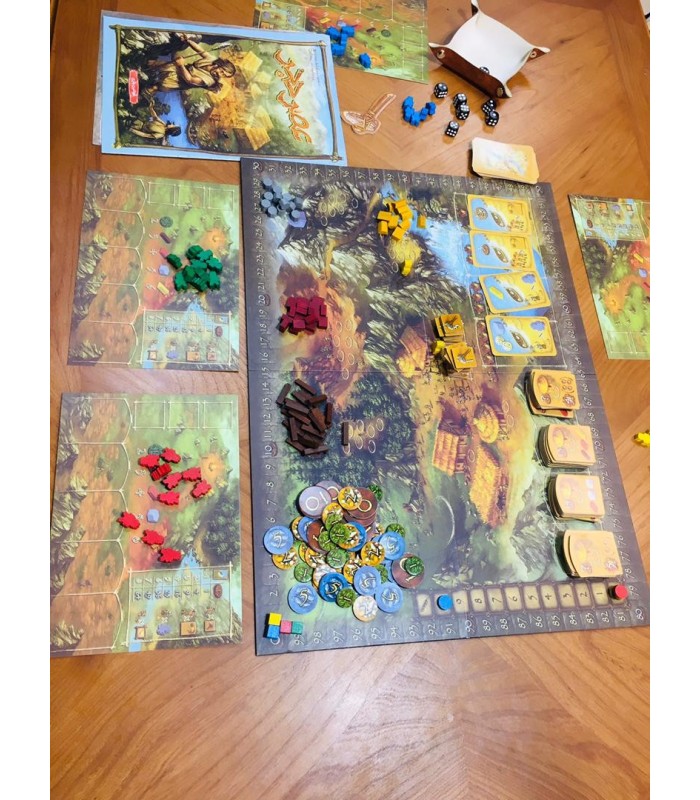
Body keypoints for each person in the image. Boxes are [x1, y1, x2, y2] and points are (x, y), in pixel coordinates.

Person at [144, 33, 236, 96]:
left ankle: (142, 95)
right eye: (222, 71)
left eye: (224, 75)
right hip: (178, 68)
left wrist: (181, 65)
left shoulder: (210, 81)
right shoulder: (212, 59)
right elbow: (200, 50)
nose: (220, 74)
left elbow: (190, 80)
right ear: (221, 65)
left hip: (179, 81)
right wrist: (188, 41)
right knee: (153, 64)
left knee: (155, 87)